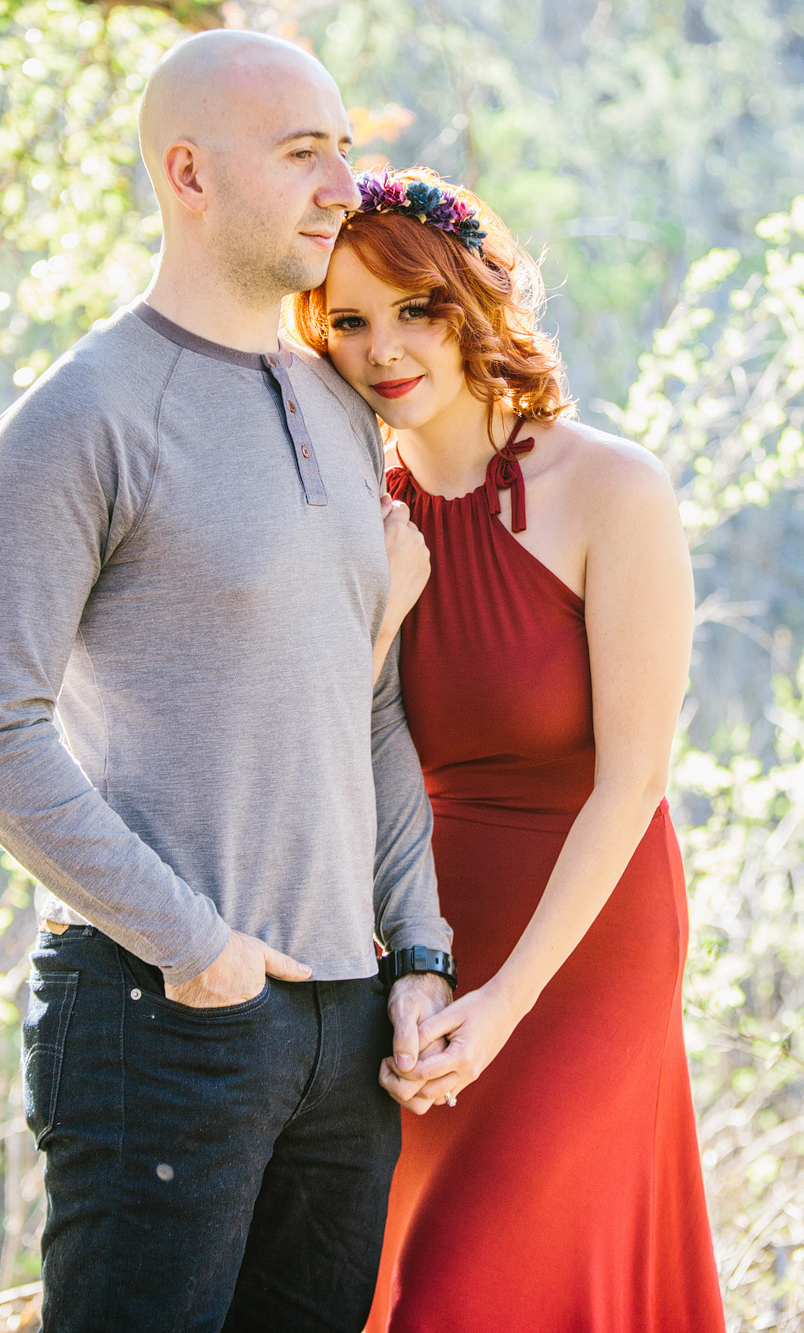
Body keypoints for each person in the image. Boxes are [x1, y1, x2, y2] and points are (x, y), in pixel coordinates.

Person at [0, 34, 457, 1333]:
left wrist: (419, 950)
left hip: (348, 1034)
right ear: (189, 173)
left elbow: (369, 704)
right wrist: (198, 948)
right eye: (303, 154)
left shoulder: (342, 410)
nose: (347, 183)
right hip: (162, 1016)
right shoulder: (81, 417)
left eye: (342, 144)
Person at [286, 166, 727, 1331]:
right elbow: (326, 760)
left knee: (467, 1291)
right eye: (349, 320)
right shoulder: (347, 512)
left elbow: (632, 781)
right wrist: (387, 607)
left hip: (582, 944)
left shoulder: (610, 490)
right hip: (419, 942)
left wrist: (505, 1002)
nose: (385, 348)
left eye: (414, 309)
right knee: (381, 1285)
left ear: (476, 297)